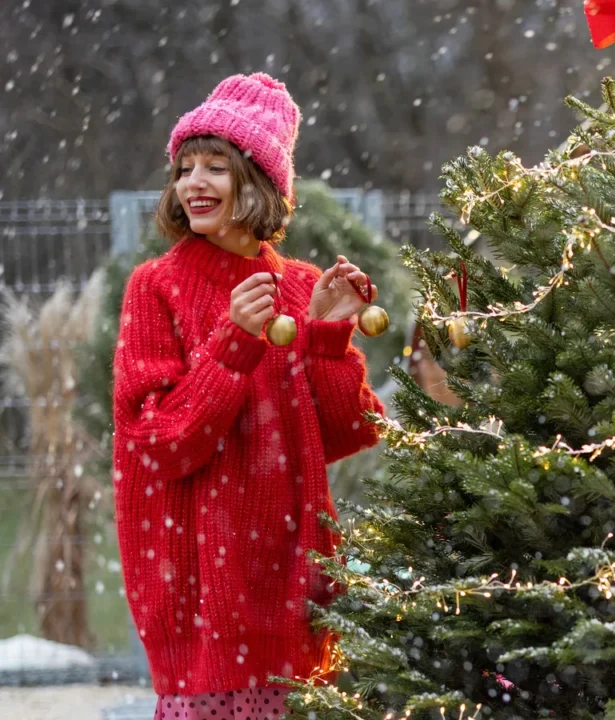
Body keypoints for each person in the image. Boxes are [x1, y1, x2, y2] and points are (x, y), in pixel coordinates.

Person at [112, 73, 385, 719]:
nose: (193, 183)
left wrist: (326, 335)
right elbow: (160, 442)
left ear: (259, 183)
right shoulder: (156, 287)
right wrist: (233, 341)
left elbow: (348, 433)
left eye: (216, 168)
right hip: (201, 586)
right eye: (185, 168)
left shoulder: (303, 286)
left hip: (293, 578)